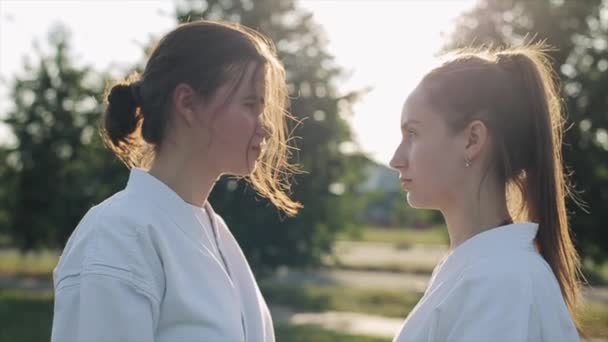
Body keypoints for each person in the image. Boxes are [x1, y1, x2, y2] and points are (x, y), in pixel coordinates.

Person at [51, 20, 301, 342]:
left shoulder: (215, 233)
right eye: (250, 105)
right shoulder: (118, 236)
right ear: (187, 103)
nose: (265, 128)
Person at [390, 45, 581, 341]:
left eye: (412, 133)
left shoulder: (500, 282)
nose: (395, 159)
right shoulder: (484, 270)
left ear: (472, 139)